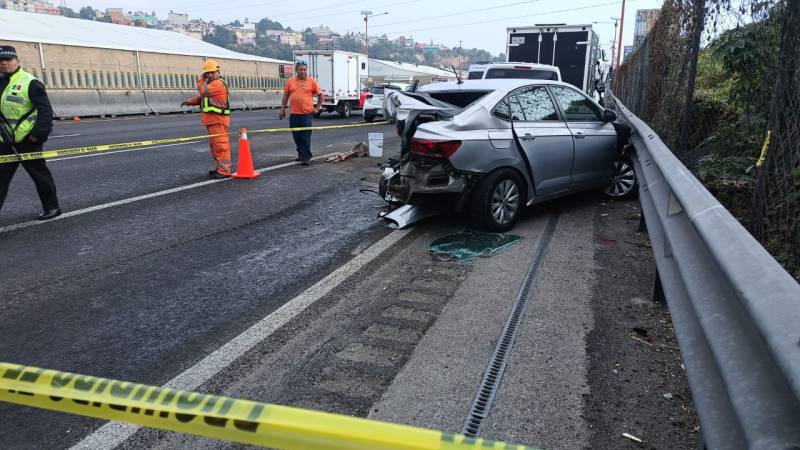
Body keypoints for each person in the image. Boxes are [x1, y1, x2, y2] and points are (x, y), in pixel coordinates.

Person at [0, 45, 60, 220]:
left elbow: (46, 111)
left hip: (28, 139)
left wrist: (38, 134)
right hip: (4, 139)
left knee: (39, 175)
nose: (4, 64)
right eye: (1, 60)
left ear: (17, 61)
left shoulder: (30, 82)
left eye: (8, 60)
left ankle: (52, 208)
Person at [182, 59, 232, 179]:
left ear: (218, 72)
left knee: (221, 146)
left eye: (211, 72)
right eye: (207, 73)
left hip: (218, 121)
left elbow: (202, 91)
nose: (209, 75)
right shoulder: (212, 85)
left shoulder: (218, 83)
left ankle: (225, 171)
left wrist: (201, 78)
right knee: (215, 146)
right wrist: (190, 102)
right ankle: (220, 168)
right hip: (212, 121)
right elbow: (202, 98)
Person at [279, 60, 323, 166]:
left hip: (306, 115)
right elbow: (286, 96)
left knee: (305, 137)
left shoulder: (312, 81)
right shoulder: (290, 81)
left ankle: (306, 157)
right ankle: (301, 154)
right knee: (296, 137)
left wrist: (317, 108)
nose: (303, 72)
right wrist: (282, 109)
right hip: (294, 114)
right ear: (296, 70)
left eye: (305, 69)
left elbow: (321, 95)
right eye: (301, 70)